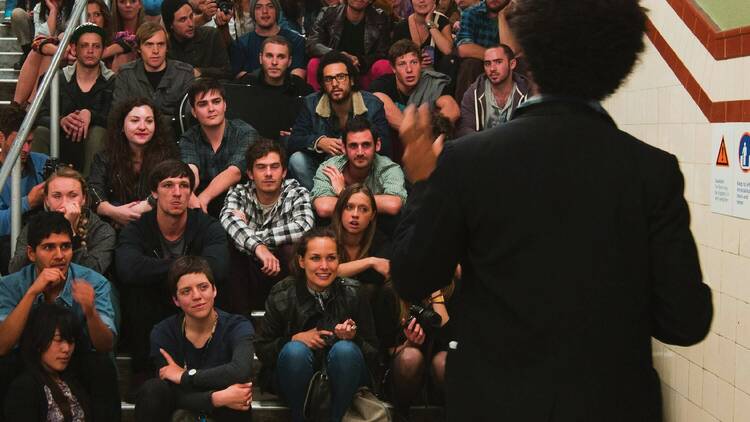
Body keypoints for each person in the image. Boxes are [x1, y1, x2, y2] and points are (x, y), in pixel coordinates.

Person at [390, 0, 714, 420]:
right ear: (619, 65)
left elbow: (413, 275)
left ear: (526, 55)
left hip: (496, 403)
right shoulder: (652, 172)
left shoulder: (468, 161)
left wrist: (421, 183)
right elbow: (686, 320)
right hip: (611, 404)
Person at [115, 159, 229, 393]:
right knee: (136, 290)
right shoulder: (137, 229)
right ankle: (145, 371)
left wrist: (176, 277)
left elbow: (218, 267)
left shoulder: (207, 226)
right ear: (154, 192)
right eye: (168, 185)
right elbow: (128, 268)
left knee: (213, 286)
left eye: (184, 185)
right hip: (152, 306)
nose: (177, 193)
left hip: (196, 307)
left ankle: (214, 367)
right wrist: (185, 269)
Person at [0, 211, 119, 421]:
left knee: (102, 366)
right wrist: (32, 293)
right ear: (31, 253)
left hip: (75, 357)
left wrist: (90, 311)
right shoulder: (11, 285)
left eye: (65, 246)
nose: (59, 255)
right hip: (27, 359)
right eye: (48, 247)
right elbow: (2, 345)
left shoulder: (94, 282)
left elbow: (105, 345)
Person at [254, 227, 379, 422]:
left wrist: (354, 339)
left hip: (343, 375)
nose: (324, 266)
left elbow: (373, 352)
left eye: (331, 258)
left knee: (345, 350)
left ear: (339, 260)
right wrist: (294, 339)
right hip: (294, 375)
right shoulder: (282, 293)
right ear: (301, 261)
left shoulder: (354, 292)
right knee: (295, 350)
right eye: (315, 258)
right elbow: (262, 349)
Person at [135, 256, 254, 422]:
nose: (197, 296)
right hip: (189, 410)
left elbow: (240, 371)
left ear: (214, 290)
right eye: (186, 291)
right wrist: (215, 398)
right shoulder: (163, 332)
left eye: (203, 287)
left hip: (225, 414)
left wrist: (185, 376)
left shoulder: (237, 326)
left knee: (236, 396)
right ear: (176, 300)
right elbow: (170, 394)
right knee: (152, 389)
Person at [220, 139, 314, 313]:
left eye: (274, 167)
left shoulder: (297, 192)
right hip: (248, 274)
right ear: (250, 173)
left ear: (284, 171)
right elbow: (228, 221)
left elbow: (303, 227)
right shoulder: (238, 193)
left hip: (284, 272)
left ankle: (291, 318)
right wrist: (258, 249)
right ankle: (242, 323)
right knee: (230, 247)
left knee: (291, 249)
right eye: (261, 167)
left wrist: (255, 241)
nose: (268, 173)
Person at [287, 51, 391, 190]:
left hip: (362, 168)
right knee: (297, 159)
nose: (335, 84)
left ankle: (357, 200)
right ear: (323, 84)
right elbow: (294, 140)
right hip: (323, 170)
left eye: (341, 77)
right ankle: (321, 200)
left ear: (352, 80)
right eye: (328, 79)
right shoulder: (311, 103)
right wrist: (319, 142)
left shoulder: (372, 104)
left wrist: (353, 147)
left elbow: (384, 145)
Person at [33, 23, 114, 177]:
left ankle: (90, 193)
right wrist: (60, 120)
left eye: (96, 46)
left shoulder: (114, 81)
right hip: (60, 142)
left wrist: (91, 116)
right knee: (41, 132)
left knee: (97, 133)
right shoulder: (55, 79)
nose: (90, 51)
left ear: (103, 50)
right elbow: (37, 115)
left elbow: (118, 120)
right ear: (74, 49)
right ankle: (41, 191)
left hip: (96, 149)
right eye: (84, 46)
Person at [88, 98, 178, 228]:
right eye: (135, 120)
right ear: (122, 127)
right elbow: (93, 191)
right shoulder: (104, 158)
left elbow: (172, 189)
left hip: (157, 225)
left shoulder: (168, 156)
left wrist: (140, 209)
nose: (142, 127)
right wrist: (114, 212)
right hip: (112, 226)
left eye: (149, 121)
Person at [9, 167, 116, 276]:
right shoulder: (34, 225)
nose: (64, 203)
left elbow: (91, 274)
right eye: (57, 196)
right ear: (47, 200)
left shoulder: (102, 231)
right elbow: (15, 271)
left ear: (83, 198)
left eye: (73, 195)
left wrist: (70, 231)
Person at [180, 78, 259, 217]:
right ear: (193, 111)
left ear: (225, 105)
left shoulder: (245, 133)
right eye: (203, 104)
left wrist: (203, 199)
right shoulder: (189, 138)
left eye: (216, 102)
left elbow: (234, 172)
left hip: (240, 206)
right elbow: (191, 171)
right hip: (200, 207)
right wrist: (191, 196)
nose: (211, 109)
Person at [3, 303, 91, 421]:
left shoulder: (75, 381)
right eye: (58, 340)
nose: (66, 349)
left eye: (71, 341)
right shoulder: (25, 388)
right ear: (39, 341)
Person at [311, 116, 407, 220]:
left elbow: (393, 205)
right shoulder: (330, 169)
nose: (360, 152)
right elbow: (324, 208)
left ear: (377, 145)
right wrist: (367, 204)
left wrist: (344, 193)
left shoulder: (389, 168)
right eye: (353, 146)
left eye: (366, 145)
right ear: (343, 147)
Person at [370, 39, 459, 131]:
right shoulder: (382, 84)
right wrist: (415, 133)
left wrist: (430, 130)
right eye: (402, 64)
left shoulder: (431, 82)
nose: (409, 70)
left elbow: (452, 108)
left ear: (421, 64)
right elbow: (379, 101)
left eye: (414, 62)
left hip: (428, 137)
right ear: (393, 68)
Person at [235, 36, 314, 140]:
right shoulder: (245, 84)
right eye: (269, 56)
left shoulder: (302, 89)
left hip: (288, 146)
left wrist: (298, 135)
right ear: (260, 58)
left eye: (281, 57)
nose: (274, 62)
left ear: (289, 61)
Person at [112, 22, 195, 120]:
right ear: (139, 48)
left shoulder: (184, 74)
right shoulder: (126, 74)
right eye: (149, 45)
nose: (155, 51)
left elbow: (190, 116)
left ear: (167, 48)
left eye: (160, 44)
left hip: (174, 133)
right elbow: (117, 114)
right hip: (136, 132)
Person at [305, 0, 393, 90]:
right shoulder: (328, 13)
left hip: (363, 70)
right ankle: (315, 102)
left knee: (383, 66)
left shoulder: (380, 17)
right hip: (332, 67)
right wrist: (339, 55)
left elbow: (383, 52)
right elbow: (312, 44)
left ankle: (380, 102)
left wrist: (359, 60)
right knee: (314, 63)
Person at [0, 104, 46, 274]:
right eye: (19, 142)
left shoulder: (42, 163)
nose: (26, 149)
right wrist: (27, 202)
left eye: (30, 142)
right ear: (1, 138)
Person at [456, 43, 528, 137]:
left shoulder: (528, 92)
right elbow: (465, 130)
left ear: (512, 64)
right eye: (487, 64)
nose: (492, 69)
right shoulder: (473, 93)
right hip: (483, 148)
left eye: (498, 62)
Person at [13, 0, 75, 106]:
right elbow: (39, 40)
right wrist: (53, 11)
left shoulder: (76, 5)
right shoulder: (39, 8)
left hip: (72, 53)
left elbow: (71, 35)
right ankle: (18, 105)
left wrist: (56, 45)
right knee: (38, 53)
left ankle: (31, 104)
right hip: (58, 52)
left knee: (51, 49)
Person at [230, 0, 306, 80]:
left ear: (277, 11)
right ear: (253, 13)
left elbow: (298, 76)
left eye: (270, 6)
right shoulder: (242, 43)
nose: (265, 11)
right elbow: (239, 77)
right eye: (259, 7)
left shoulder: (296, 40)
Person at [161, 0, 232, 79]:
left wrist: (200, 72)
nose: (190, 24)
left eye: (191, 16)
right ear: (170, 24)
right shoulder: (165, 48)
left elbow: (227, 72)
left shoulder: (211, 36)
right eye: (183, 20)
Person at [453, 0, 507, 100]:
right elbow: (464, 48)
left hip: (508, 70)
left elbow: (514, 52)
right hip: (478, 67)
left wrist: (502, 16)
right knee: (471, 64)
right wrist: (500, 59)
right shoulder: (471, 12)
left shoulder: (517, 14)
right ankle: (466, 113)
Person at [391, 0, 453, 70]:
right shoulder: (400, 27)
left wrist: (429, 22)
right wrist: (416, 64)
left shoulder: (442, 21)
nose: (422, 1)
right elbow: (394, 60)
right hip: (409, 74)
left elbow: (448, 50)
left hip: (437, 76)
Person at [106, 0, 145, 71]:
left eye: (133, 1)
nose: (128, 5)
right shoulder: (107, 33)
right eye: (122, 1)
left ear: (140, 4)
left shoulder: (149, 30)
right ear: (116, 5)